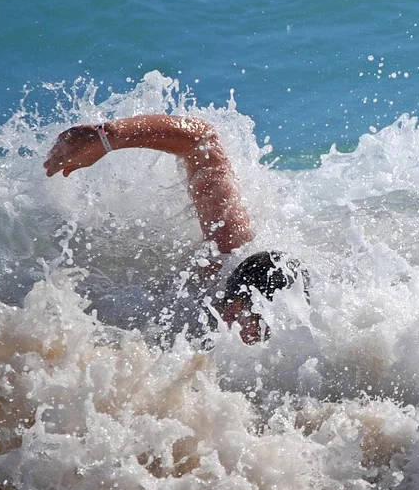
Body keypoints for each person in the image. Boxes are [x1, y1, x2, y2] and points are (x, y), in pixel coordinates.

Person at [43, 114, 308, 344]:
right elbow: (202, 140)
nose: (231, 320)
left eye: (263, 332)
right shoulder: (227, 251)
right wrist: (107, 137)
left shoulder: (308, 334)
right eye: (240, 314)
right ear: (234, 303)